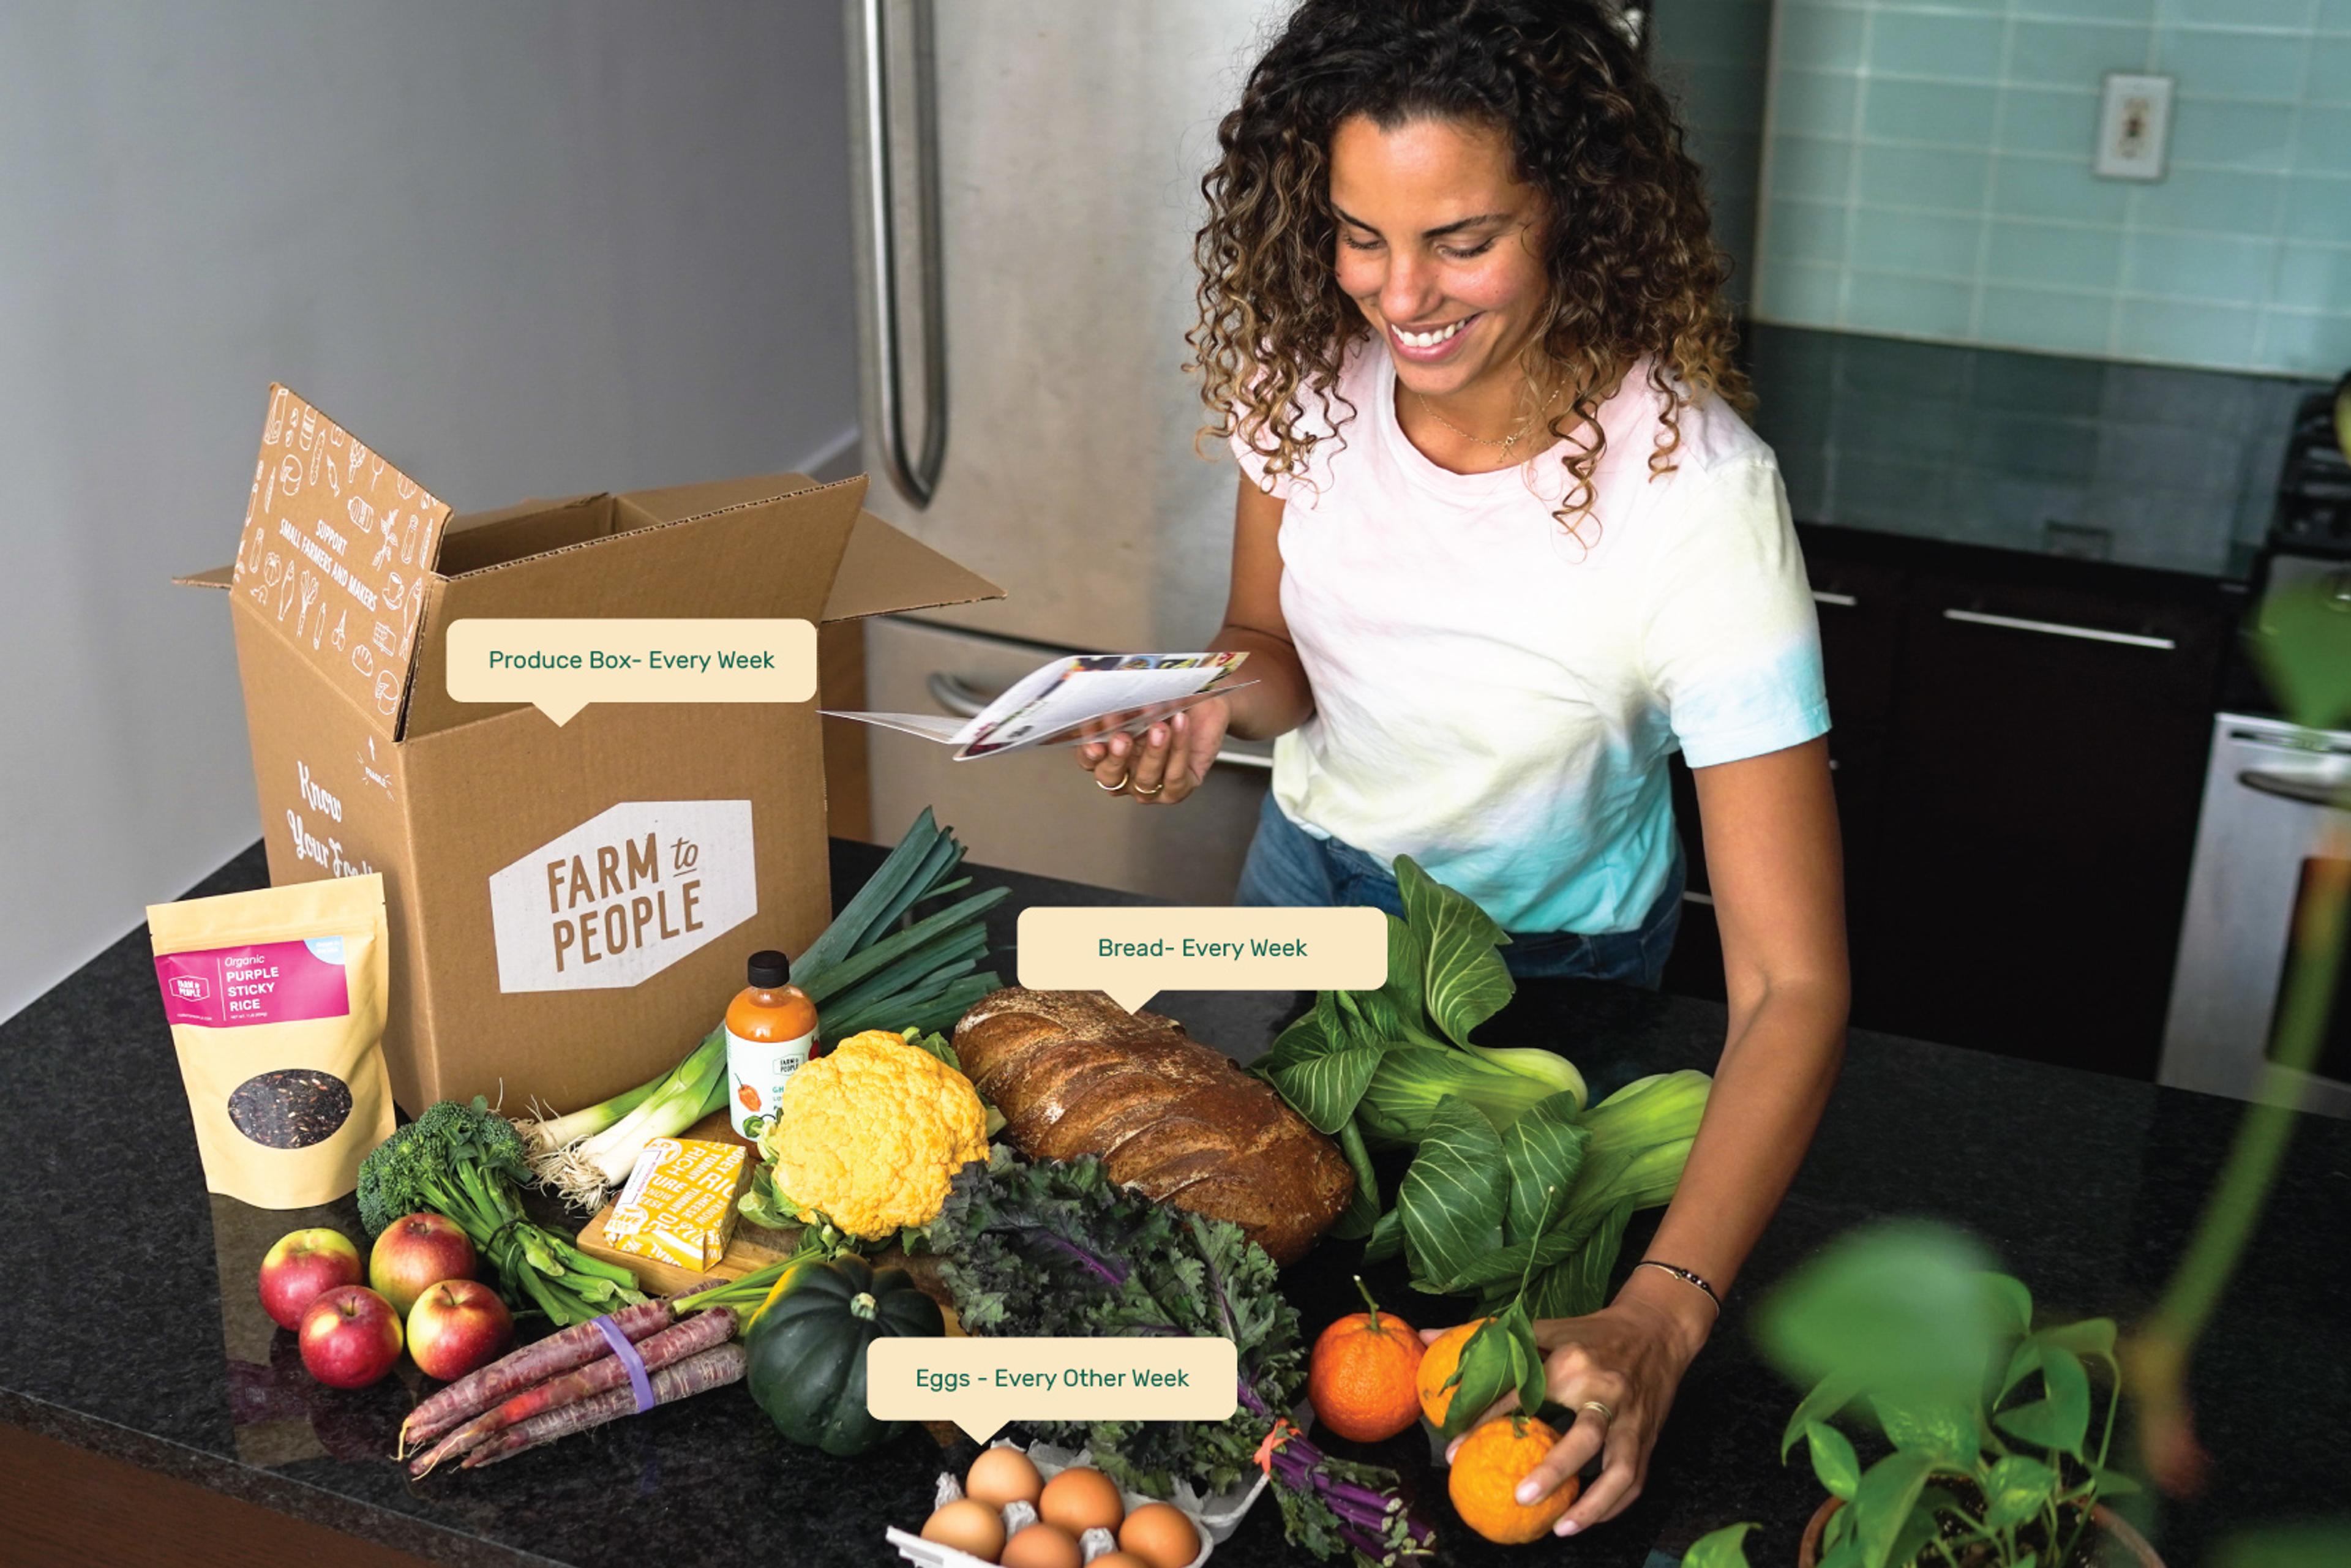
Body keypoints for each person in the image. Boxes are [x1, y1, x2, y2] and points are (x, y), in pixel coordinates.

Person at [1073, 0, 1848, 1540]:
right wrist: (1201, 700)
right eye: (1360, 236)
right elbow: (1267, 644)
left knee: (1453, 1384)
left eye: (1462, 240)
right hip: (1298, 905)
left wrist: (1663, 1318)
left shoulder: (1696, 497)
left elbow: (1793, 986)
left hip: (1546, 976)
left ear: (1575, 206)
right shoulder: (1302, 382)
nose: (1400, 296)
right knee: (1249, 1321)